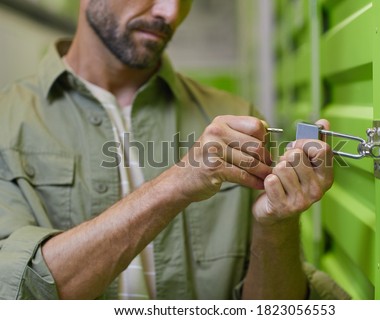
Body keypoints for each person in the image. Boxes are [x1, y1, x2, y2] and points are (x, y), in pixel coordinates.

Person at [0, 0, 349, 300]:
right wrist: (176, 185)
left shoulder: (239, 119)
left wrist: (276, 227)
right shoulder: (7, 122)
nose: (170, 13)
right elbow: (14, 295)